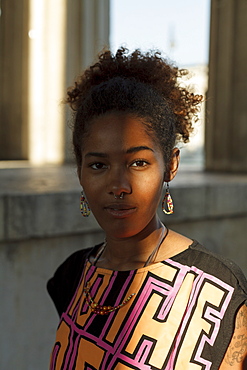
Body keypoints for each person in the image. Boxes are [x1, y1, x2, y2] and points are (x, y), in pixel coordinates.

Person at [47, 47, 247, 370]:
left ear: (170, 165)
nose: (119, 185)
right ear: (79, 171)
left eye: (138, 162)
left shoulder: (220, 289)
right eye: (98, 165)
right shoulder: (73, 275)